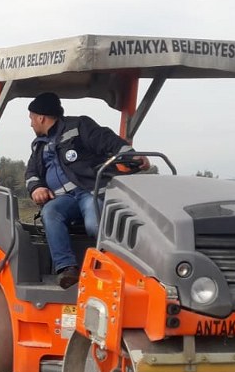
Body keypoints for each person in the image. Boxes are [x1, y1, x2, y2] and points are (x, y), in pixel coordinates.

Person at [24, 92, 147, 288]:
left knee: (93, 223)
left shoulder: (78, 127)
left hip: (89, 191)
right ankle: (67, 269)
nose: (30, 124)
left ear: (41, 117)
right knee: (50, 212)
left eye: (31, 118)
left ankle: (120, 268)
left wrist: (130, 155)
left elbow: (108, 140)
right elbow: (31, 173)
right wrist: (36, 187)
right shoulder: (39, 147)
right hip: (64, 200)